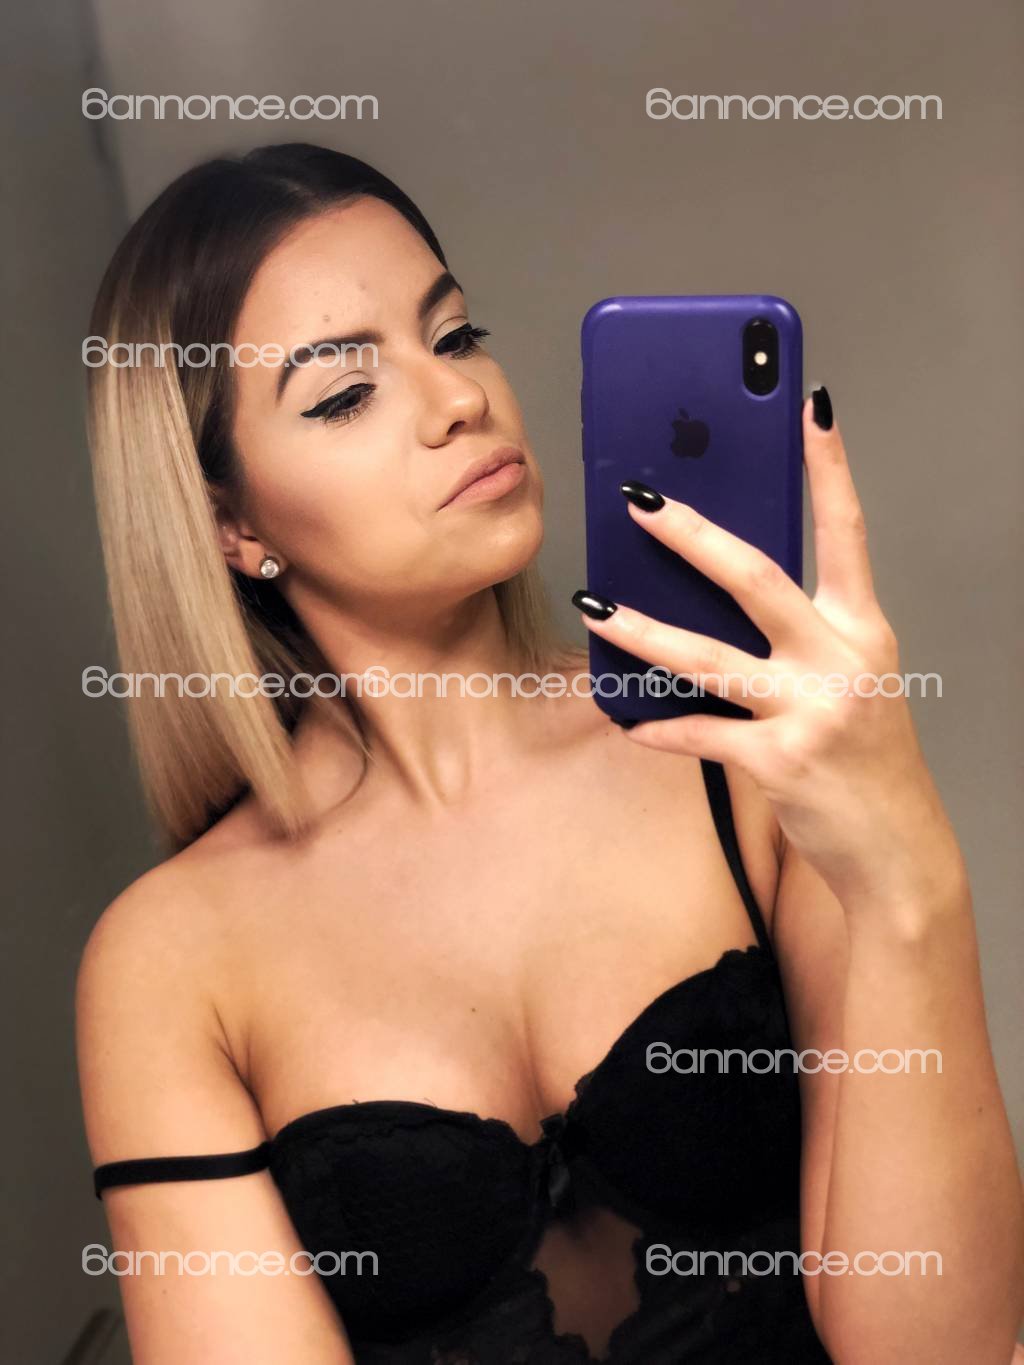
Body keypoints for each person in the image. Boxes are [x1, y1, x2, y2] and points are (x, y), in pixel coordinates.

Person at [76, 143, 1022, 1364]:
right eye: (345, 393)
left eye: (455, 335)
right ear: (230, 523)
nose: (457, 399)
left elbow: (938, 1348)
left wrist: (908, 878)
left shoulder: (735, 755)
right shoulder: (169, 963)